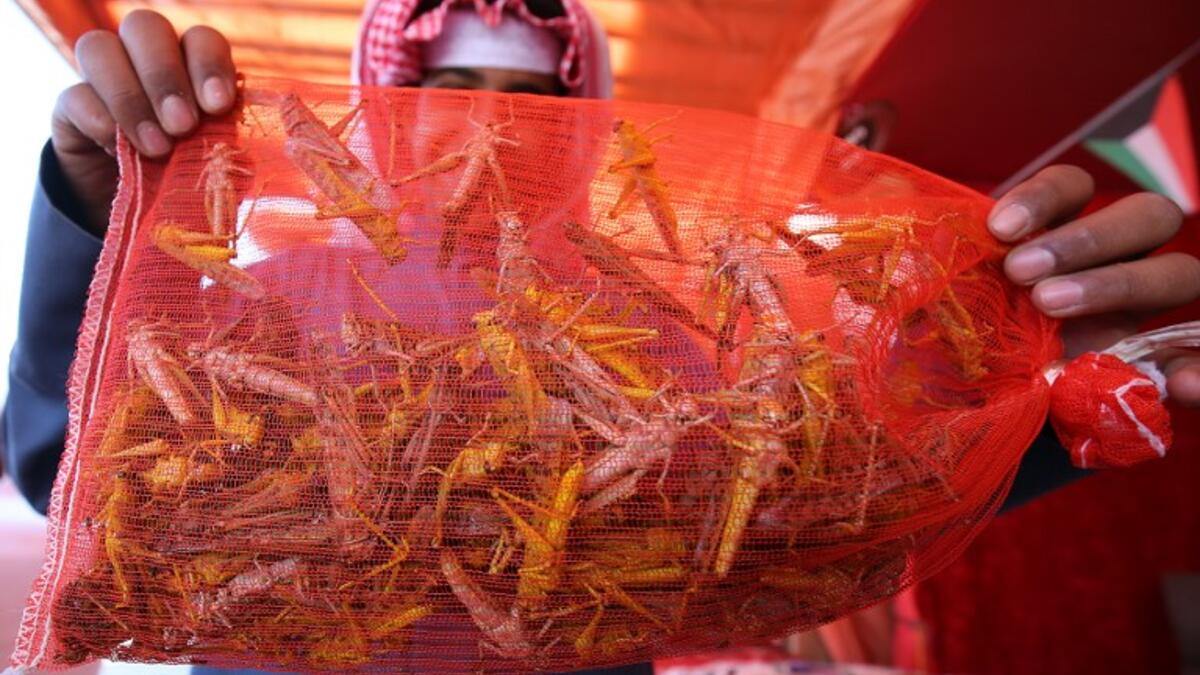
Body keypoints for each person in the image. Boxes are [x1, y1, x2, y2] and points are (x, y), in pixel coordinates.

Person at [2, 0, 1198, 672]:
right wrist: (91, 217)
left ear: (585, 123)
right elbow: (75, 482)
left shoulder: (674, 331)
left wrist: (1044, 400)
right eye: (451, 85)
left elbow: (818, 516)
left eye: (534, 102)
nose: (489, 122)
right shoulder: (275, 297)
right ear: (387, 100)